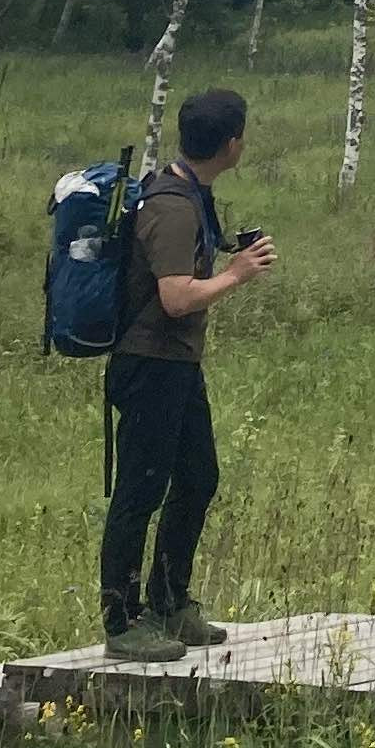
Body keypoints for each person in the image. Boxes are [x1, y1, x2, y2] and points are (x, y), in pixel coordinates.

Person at [103, 86, 277, 660]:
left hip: (176, 363)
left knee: (198, 478)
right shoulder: (173, 207)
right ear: (233, 143)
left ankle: (170, 603)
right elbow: (176, 299)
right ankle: (123, 621)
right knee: (140, 488)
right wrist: (239, 274)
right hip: (151, 362)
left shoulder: (191, 191)